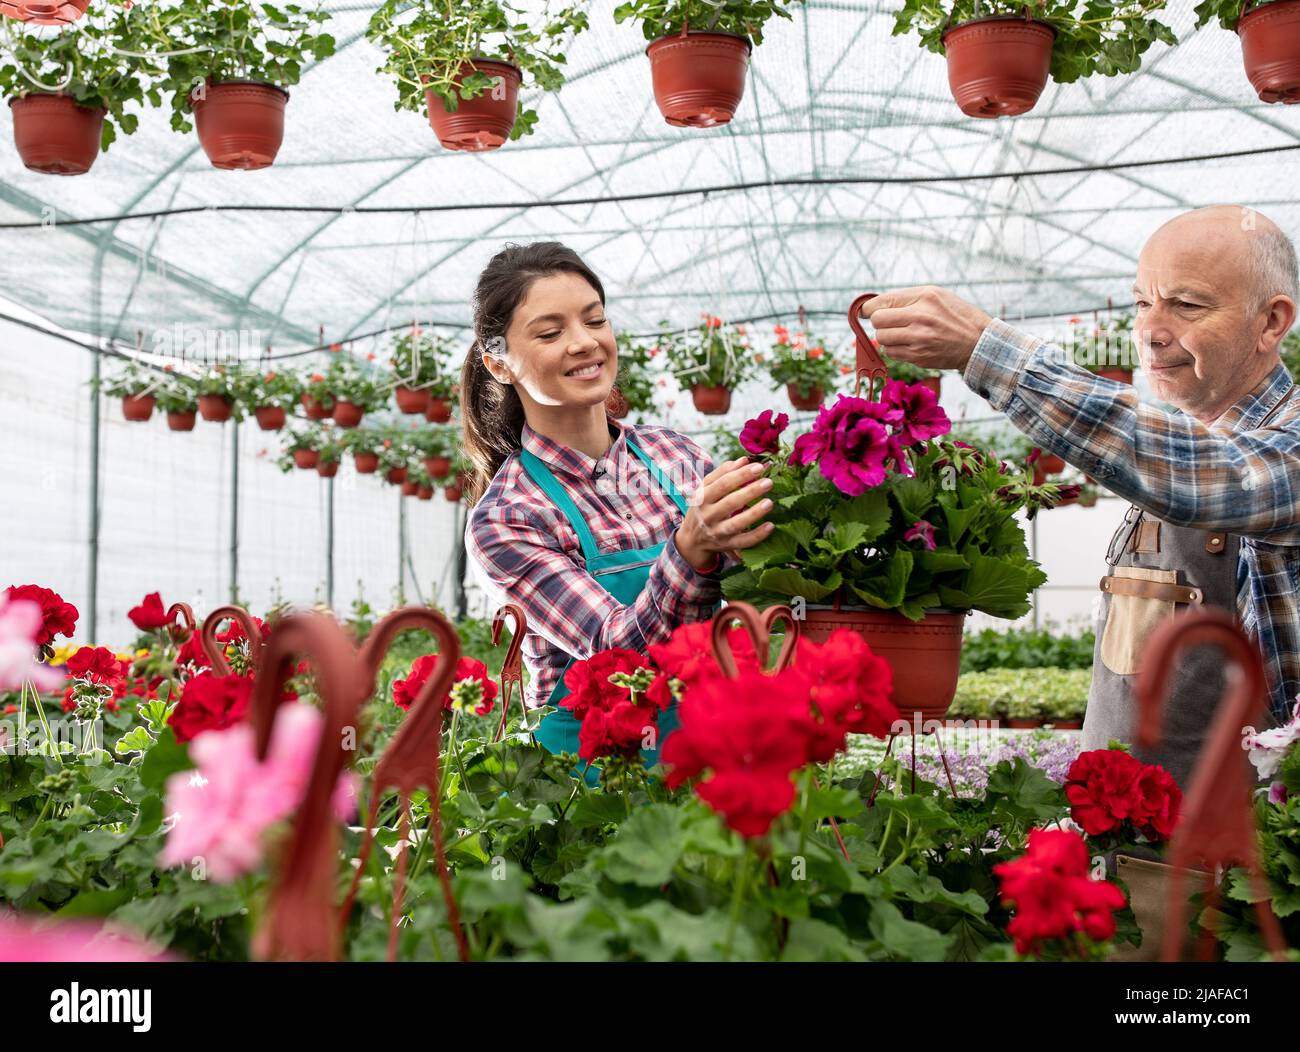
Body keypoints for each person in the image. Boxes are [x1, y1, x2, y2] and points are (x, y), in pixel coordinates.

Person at [859, 205, 1300, 791]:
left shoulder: (1274, 447)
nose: (1151, 330)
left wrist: (983, 350)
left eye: (1187, 305)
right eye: (1143, 303)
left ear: (1271, 322)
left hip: (1236, 862)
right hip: (1134, 851)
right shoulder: (1176, 445)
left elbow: (1209, 476)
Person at [460, 241, 775, 781]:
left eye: (595, 320)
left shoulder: (676, 456)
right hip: (594, 787)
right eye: (550, 332)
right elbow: (618, 656)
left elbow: (764, 580)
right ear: (499, 363)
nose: (585, 343)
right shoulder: (508, 518)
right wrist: (689, 549)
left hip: (713, 754)